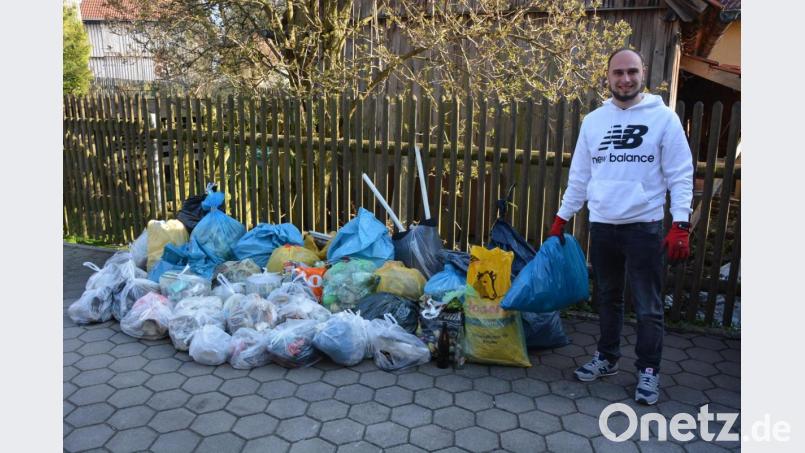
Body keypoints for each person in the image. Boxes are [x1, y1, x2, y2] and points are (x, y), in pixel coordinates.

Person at [547, 48, 693, 405]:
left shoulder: (664, 119)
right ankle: (607, 358)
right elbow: (580, 175)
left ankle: (648, 371)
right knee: (608, 299)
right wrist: (562, 217)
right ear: (608, 77)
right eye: (618, 73)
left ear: (643, 74)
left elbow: (680, 174)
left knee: (648, 305)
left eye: (632, 72)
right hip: (604, 225)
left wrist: (681, 223)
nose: (625, 79)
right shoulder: (594, 121)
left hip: (644, 227)